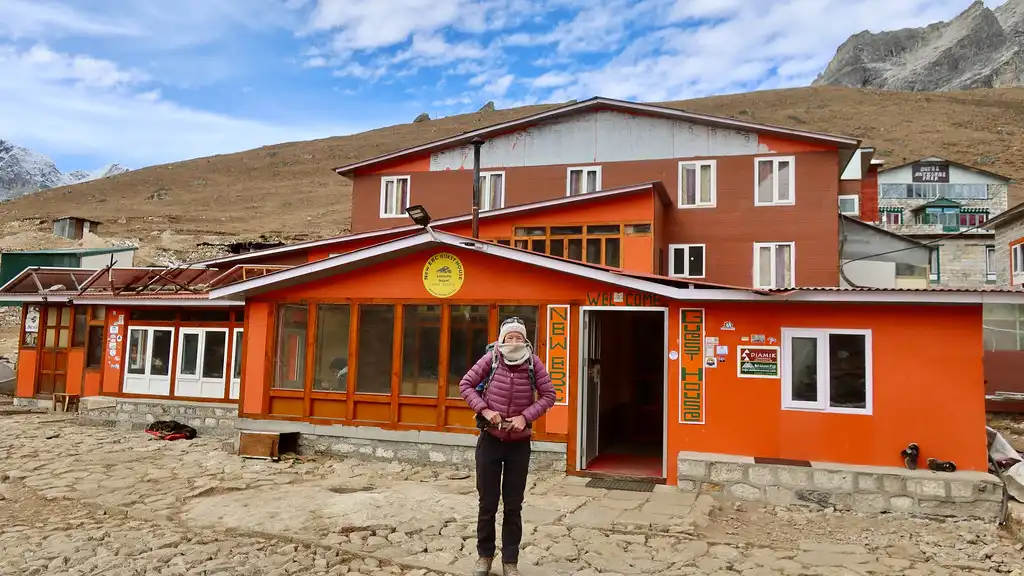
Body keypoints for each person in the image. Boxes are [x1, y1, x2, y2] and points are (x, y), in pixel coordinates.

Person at [460, 317, 556, 576]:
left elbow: (549, 395)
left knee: (514, 505)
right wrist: (485, 409)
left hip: (519, 445)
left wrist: (526, 417)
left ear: (525, 341)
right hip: (490, 441)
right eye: (509, 337)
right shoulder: (491, 359)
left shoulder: (534, 363)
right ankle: (484, 556)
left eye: (518, 337)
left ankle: (510, 561)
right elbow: (465, 385)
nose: (513, 342)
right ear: (501, 340)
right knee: (487, 503)